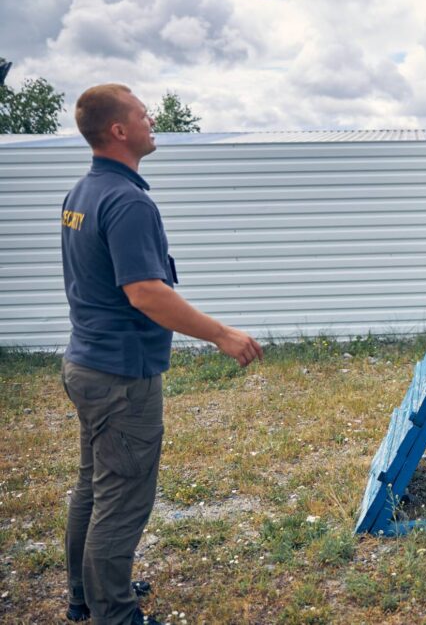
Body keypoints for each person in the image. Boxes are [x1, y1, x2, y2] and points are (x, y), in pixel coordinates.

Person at [60, 84, 263, 625]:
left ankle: (87, 594)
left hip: (86, 363)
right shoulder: (127, 201)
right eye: (143, 115)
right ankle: (114, 613)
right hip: (120, 376)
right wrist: (222, 334)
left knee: (94, 486)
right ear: (119, 131)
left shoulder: (82, 193)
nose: (153, 121)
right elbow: (146, 292)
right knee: (122, 498)